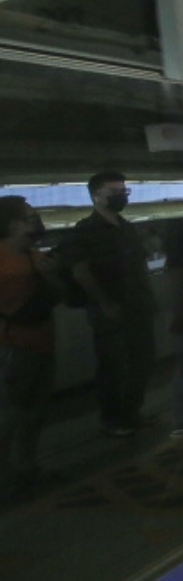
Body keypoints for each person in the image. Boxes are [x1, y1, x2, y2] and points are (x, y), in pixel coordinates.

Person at [67, 171, 157, 437]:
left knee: (142, 361)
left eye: (124, 192)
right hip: (110, 311)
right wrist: (105, 303)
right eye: (114, 192)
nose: (121, 197)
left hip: (138, 306)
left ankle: (132, 412)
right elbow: (81, 272)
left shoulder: (126, 226)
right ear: (96, 196)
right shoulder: (85, 231)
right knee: (113, 365)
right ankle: (112, 418)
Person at [0, 197, 58, 500]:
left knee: (35, 411)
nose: (35, 221)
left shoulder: (33, 255)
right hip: (13, 348)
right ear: (12, 224)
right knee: (10, 414)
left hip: (41, 342)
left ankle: (26, 467)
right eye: (29, 217)